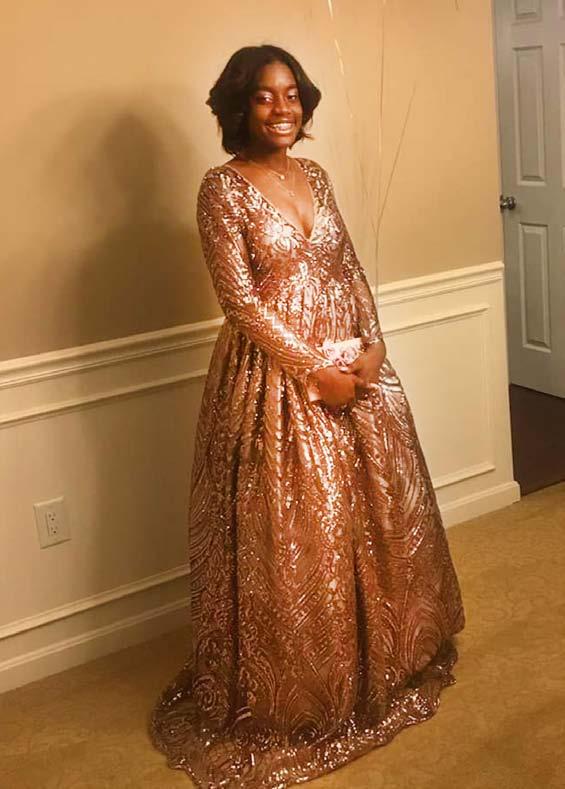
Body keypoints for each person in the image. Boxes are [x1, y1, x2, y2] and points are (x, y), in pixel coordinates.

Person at [148, 44, 465, 788]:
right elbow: (240, 301)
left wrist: (374, 344)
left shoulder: (315, 175)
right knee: (296, 535)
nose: (281, 108)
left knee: (374, 516)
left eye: (291, 94)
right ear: (238, 107)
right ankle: (308, 689)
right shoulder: (221, 189)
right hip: (273, 382)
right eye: (264, 96)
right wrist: (311, 369)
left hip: (350, 361)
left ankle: (381, 662)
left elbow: (347, 267)